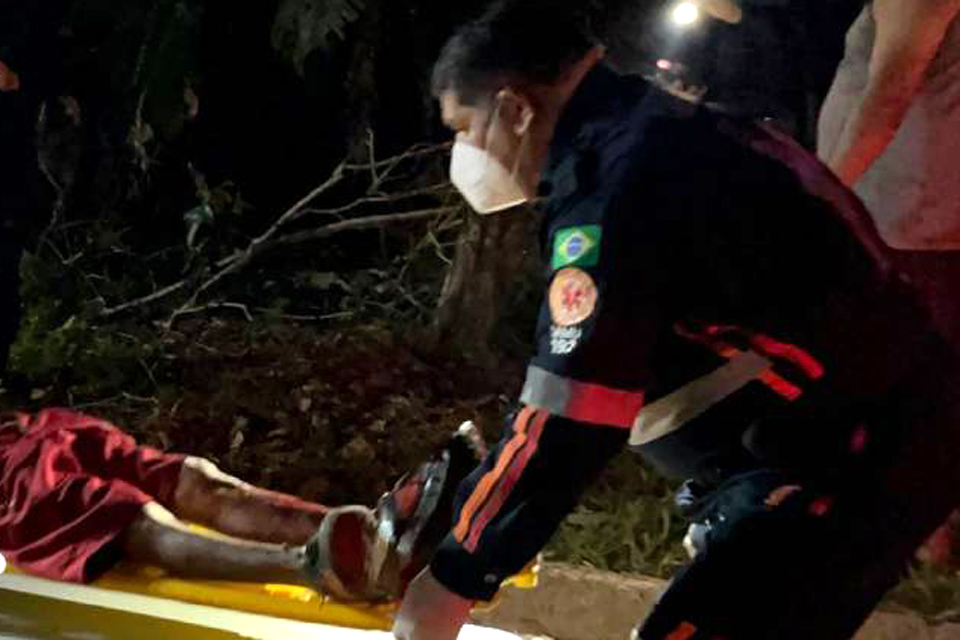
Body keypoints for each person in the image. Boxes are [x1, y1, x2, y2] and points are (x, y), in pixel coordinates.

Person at [392, 2, 960, 639]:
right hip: (849, 440)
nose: (462, 152)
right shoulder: (665, 132)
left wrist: (456, 575)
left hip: (853, 459)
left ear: (516, 109)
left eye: (463, 129)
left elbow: (571, 412)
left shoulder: (616, 189)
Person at [0, 408, 484, 602]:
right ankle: (318, 568)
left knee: (194, 480)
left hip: (33, 430)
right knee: (117, 514)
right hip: (9, 468)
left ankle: (378, 536)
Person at [817, 0, 960, 563]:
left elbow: (887, 98)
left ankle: (923, 531)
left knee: (906, 379)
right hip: (920, 210)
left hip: (905, 214)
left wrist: (819, 193)